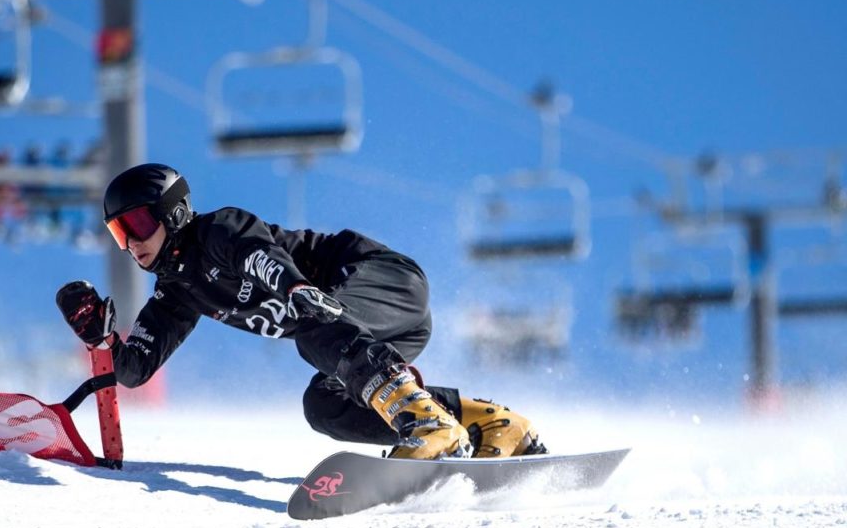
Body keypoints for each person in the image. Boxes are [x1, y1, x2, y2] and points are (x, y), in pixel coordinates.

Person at [56, 164, 546, 460]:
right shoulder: (179, 291)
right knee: (325, 405)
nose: (133, 242)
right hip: (364, 335)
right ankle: (490, 424)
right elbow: (134, 371)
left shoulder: (218, 230)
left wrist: (296, 287)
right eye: (120, 233)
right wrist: (102, 339)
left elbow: (258, 256)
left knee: (313, 334)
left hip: (383, 280)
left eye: (138, 223)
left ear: (173, 212)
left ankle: (428, 428)